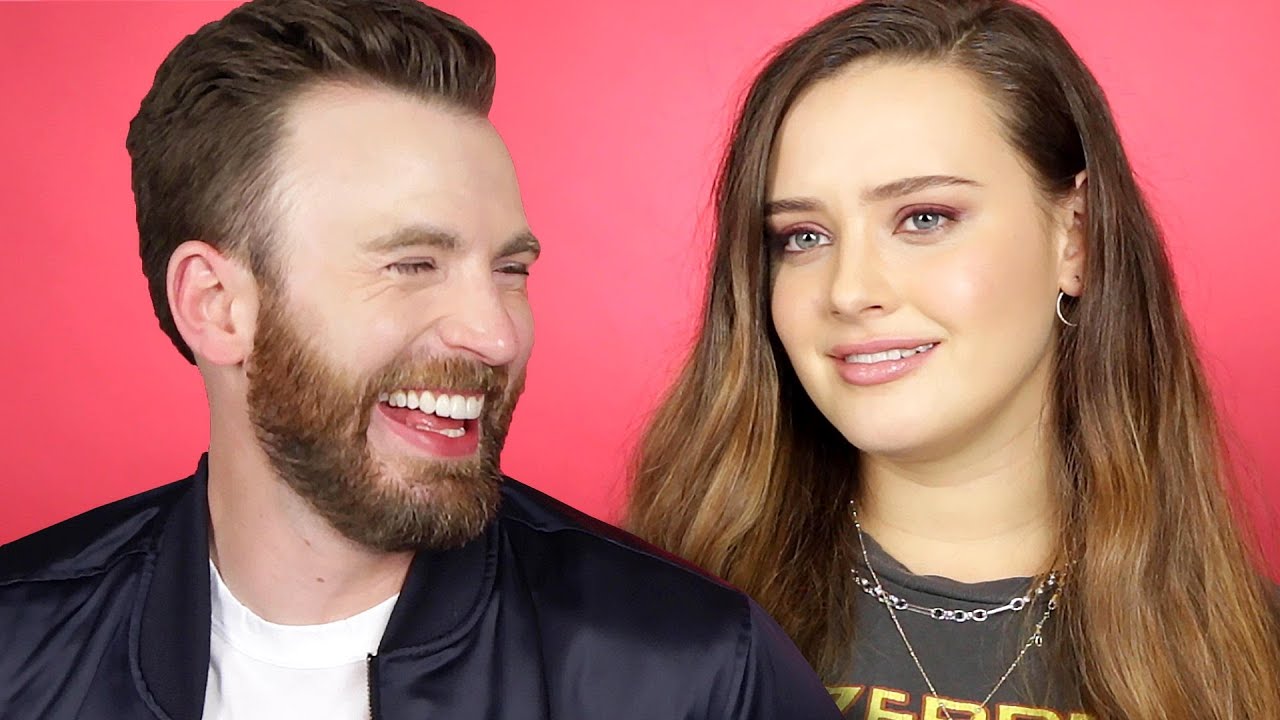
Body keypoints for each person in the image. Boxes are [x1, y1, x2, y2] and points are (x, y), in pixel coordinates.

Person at [0, 1, 843, 718]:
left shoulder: (692, 670)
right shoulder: (17, 646)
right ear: (217, 305)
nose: (497, 335)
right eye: (412, 265)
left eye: (510, 271)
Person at [627, 1, 1280, 718]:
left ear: (1078, 238)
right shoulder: (648, 619)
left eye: (924, 219)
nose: (849, 291)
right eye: (804, 236)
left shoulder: (1255, 657)